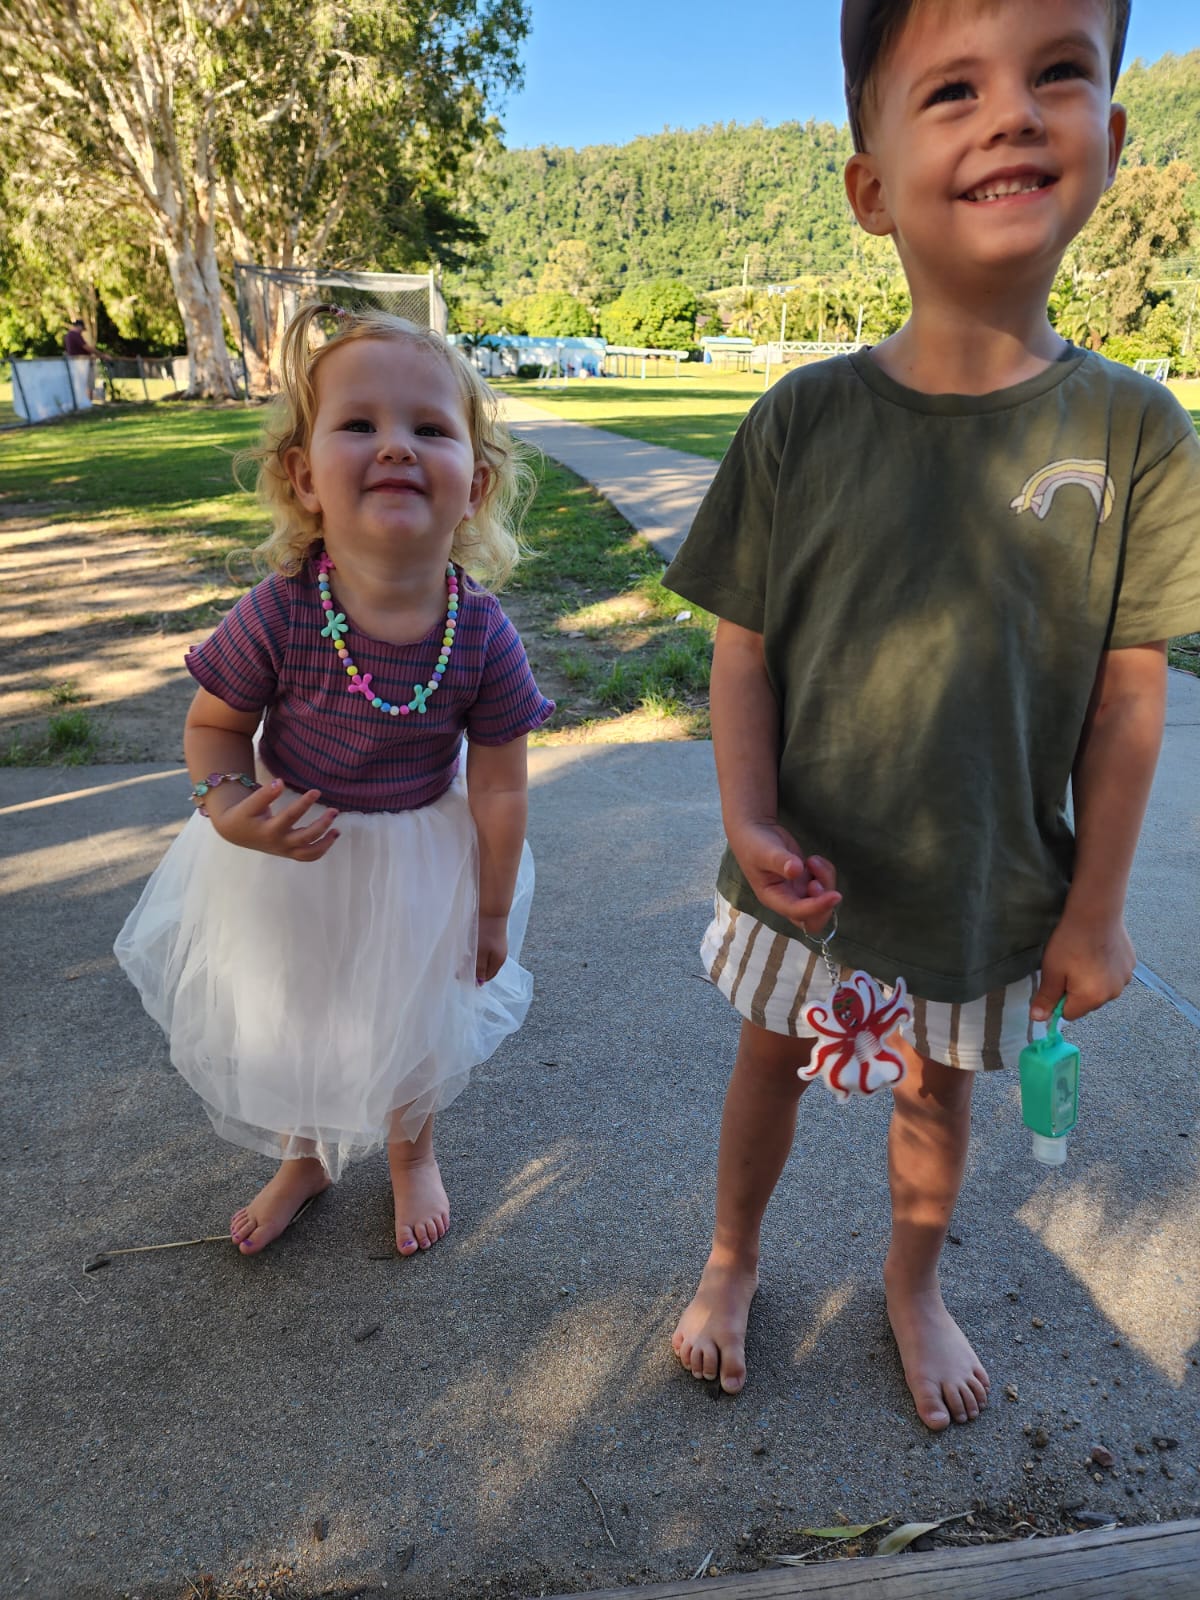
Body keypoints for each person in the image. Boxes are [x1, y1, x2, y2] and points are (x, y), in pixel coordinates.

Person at [665, 0, 1200, 1430]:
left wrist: (1095, 910)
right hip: (811, 881)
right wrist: (748, 815)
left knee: (936, 1101)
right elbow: (743, 654)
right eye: (952, 88)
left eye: (1060, 73)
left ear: (1113, 138)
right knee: (766, 1067)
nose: (1013, 113)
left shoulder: (1138, 433)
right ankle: (731, 1258)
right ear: (871, 186)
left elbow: (1130, 699)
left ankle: (914, 1285)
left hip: (987, 888)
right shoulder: (799, 420)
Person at [115, 303, 553, 1258]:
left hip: (420, 864)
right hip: (288, 852)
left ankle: (409, 1150)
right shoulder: (281, 611)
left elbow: (503, 787)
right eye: (359, 424)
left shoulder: (480, 634)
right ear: (303, 476)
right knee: (299, 1011)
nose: (395, 445)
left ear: (473, 486)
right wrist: (225, 810)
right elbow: (216, 725)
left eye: (429, 428)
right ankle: (304, 1151)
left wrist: (488, 909)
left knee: (412, 1015)